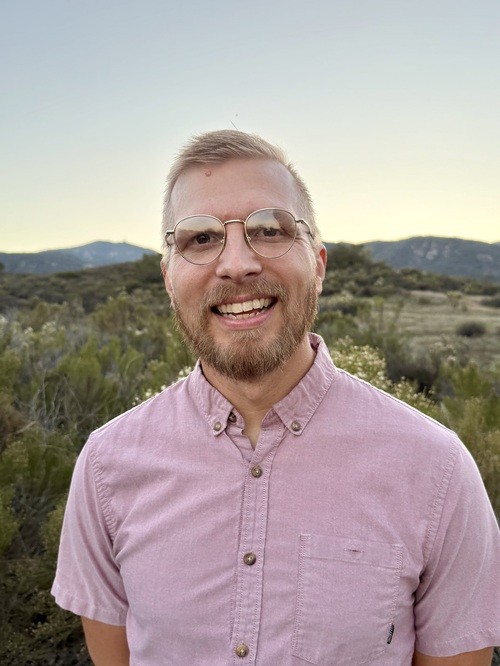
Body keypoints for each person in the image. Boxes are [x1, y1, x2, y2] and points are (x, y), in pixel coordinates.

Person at [52, 130, 500, 665]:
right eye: (201, 238)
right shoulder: (107, 466)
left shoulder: (435, 469)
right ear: (169, 279)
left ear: (320, 265)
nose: (237, 264)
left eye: (270, 230)